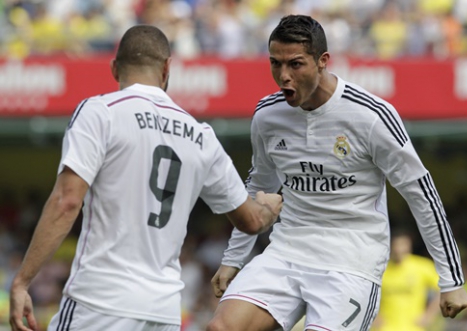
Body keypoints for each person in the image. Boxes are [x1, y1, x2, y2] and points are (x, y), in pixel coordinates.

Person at [9, 25, 283, 331]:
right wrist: (269, 205)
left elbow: (67, 201)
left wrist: (22, 281)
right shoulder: (201, 135)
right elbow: (251, 221)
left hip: (100, 303)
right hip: (162, 312)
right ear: (167, 68)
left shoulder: (101, 112)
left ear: (114, 68)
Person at [206, 14, 467, 331]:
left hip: (351, 262)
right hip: (287, 251)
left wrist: (451, 278)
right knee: (220, 327)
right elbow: (258, 187)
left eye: (296, 64)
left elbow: (421, 194)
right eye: (275, 63)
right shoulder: (267, 115)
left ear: (323, 61)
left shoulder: (370, 115)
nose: (283, 76)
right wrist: (234, 258)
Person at [371, 229, 441, 331]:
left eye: (403, 245)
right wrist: (374, 317)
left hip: (414, 328)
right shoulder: (380, 269)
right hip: (384, 328)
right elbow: (363, 293)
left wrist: (429, 315)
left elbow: (443, 290)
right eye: (396, 245)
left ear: (409, 245)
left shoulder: (422, 266)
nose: (399, 249)